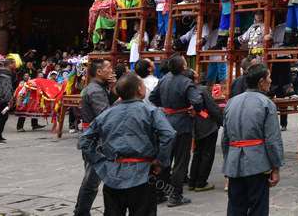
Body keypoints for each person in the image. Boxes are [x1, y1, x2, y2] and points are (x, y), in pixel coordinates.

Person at [78, 72, 176, 216]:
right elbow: (169, 134)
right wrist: (160, 161)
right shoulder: (150, 111)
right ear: (139, 90)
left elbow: (85, 140)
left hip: (112, 174)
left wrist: (101, 162)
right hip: (142, 175)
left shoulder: (107, 114)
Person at [221, 62, 285, 216]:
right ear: (261, 82)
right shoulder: (267, 104)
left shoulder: (231, 102)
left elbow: (225, 139)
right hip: (258, 164)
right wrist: (276, 167)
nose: (271, 80)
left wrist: (228, 160)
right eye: (268, 77)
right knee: (258, 209)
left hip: (234, 164)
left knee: (235, 208)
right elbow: (273, 139)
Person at [149, 54, 203, 207]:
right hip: (181, 123)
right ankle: (175, 195)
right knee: (180, 161)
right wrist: (194, 109)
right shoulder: (186, 82)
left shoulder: (164, 78)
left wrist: (166, 105)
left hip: (166, 121)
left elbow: (154, 97)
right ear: (184, 67)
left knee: (165, 158)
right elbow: (197, 100)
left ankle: (159, 192)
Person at [74, 58, 117, 216]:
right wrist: (120, 100)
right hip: (93, 140)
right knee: (92, 180)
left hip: (97, 138)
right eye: (108, 67)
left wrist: (112, 88)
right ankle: (81, 212)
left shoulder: (100, 87)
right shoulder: (95, 90)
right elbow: (105, 115)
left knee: (93, 178)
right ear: (99, 72)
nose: (111, 70)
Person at [186, 70, 223, 193]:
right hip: (206, 124)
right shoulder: (203, 89)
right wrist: (221, 121)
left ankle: (193, 181)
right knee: (207, 153)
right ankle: (201, 182)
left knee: (198, 152)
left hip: (194, 124)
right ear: (195, 77)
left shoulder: (186, 90)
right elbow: (212, 107)